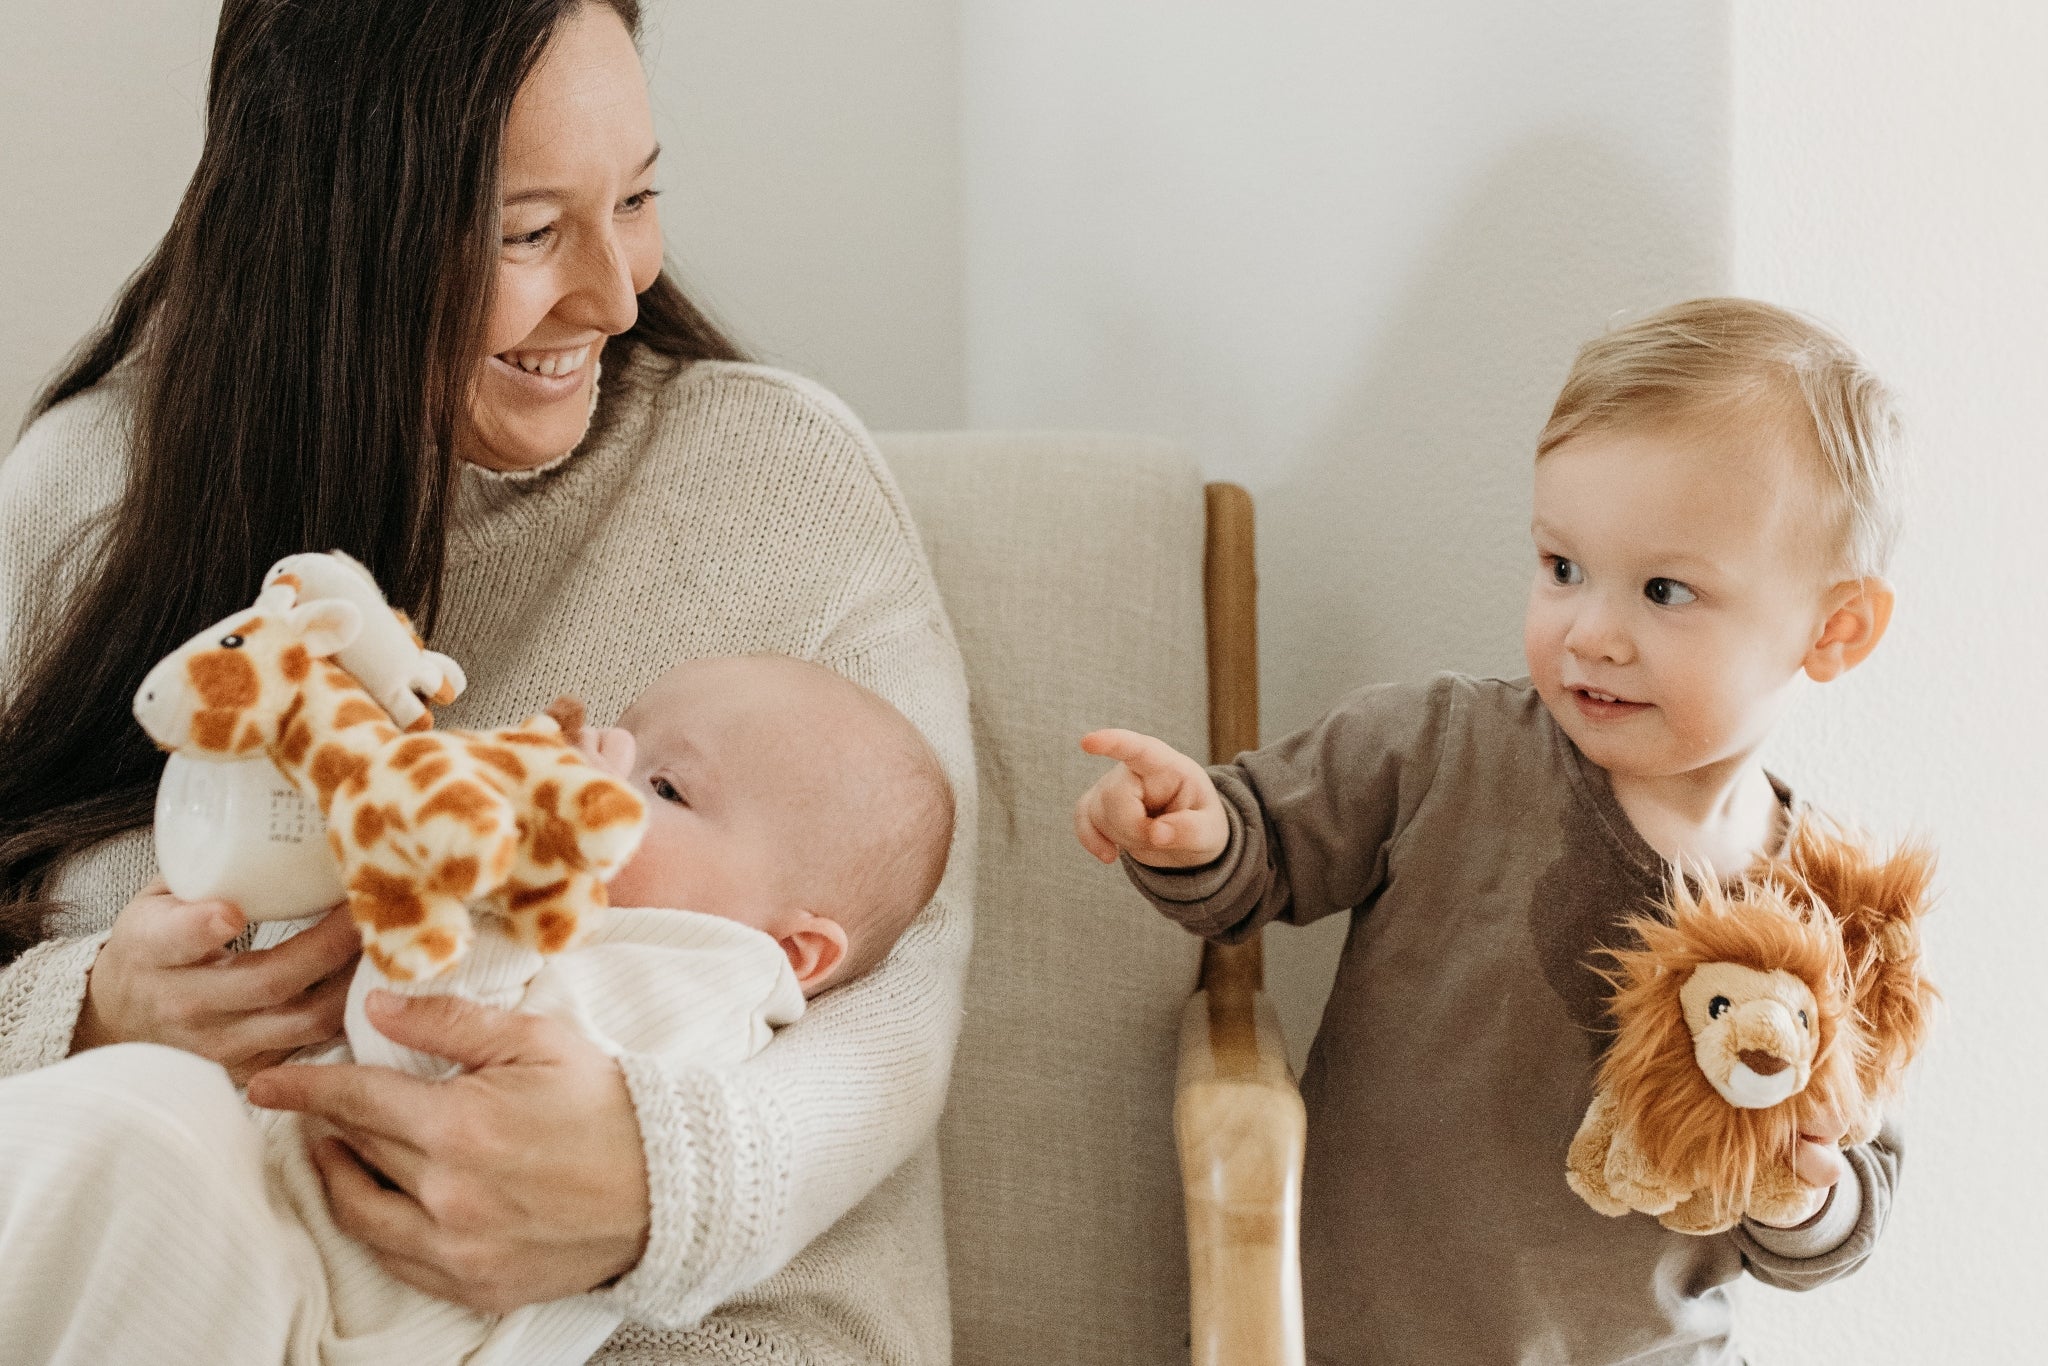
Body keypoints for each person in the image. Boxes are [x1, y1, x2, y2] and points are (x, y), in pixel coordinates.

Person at [0, 3, 974, 1361]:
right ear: (336, 228)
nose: (618, 294)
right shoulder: (85, 496)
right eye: (529, 230)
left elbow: (901, 984)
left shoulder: (776, 483)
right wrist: (81, 1020)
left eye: (636, 197)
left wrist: (655, 1177)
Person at [1072, 298, 1904, 1363]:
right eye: (1561, 567)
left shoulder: (1836, 916)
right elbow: (1261, 853)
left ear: (1833, 630)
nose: (1589, 633)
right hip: (1353, 1338)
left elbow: (1847, 1201)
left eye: (1663, 590)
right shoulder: (1438, 748)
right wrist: (1191, 830)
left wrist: (1805, 1194)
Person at [0, 653, 956, 1366]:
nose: (600, 780)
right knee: (130, 1130)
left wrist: (446, 875)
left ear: (797, 950)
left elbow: (423, 1033)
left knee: (149, 1126)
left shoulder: (698, 978)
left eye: (662, 787)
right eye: (613, 748)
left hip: (327, 1323)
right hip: (279, 1271)